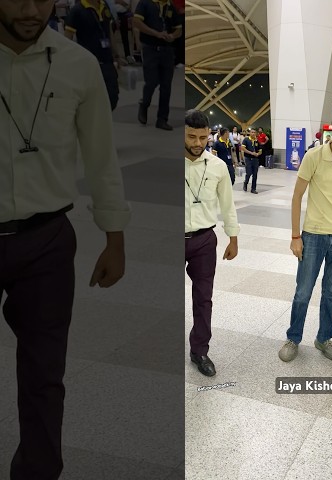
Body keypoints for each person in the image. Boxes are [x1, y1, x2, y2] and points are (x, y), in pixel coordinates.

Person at [0, 0, 131, 477]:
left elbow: (101, 156)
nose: (31, 9)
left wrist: (114, 237)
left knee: (43, 374)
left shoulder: (78, 66)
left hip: (47, 240)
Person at [278, 104, 332, 363]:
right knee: (303, 291)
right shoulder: (314, 156)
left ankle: (323, 338)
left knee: (331, 292)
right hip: (313, 235)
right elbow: (297, 196)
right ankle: (293, 338)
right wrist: (296, 236)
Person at [184, 110, 239, 377]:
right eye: (191, 136)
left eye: (203, 137)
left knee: (203, 298)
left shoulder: (217, 166)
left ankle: (200, 350)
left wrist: (233, 238)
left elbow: (228, 205)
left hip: (204, 240)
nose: (197, 143)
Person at [64, 0, 122, 111]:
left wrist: (116, 54)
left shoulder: (105, 6)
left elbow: (109, 31)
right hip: (87, 63)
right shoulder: (77, 10)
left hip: (106, 61)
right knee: (89, 98)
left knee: (112, 95)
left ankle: (101, 119)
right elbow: (68, 38)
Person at [133, 0, 182, 130]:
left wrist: (172, 36)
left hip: (167, 50)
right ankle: (144, 103)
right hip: (150, 48)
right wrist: (156, 33)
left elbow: (179, 29)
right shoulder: (145, 3)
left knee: (166, 86)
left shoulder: (170, 6)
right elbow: (136, 22)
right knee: (151, 82)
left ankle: (162, 119)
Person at [241, 128, 261, 193]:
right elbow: (243, 148)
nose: (253, 133)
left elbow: (260, 150)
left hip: (255, 159)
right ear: (250, 133)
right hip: (248, 158)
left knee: (255, 174)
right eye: (252, 132)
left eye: (254, 132)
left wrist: (257, 154)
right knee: (249, 173)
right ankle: (245, 183)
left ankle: (253, 188)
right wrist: (251, 153)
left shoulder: (257, 141)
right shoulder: (246, 140)